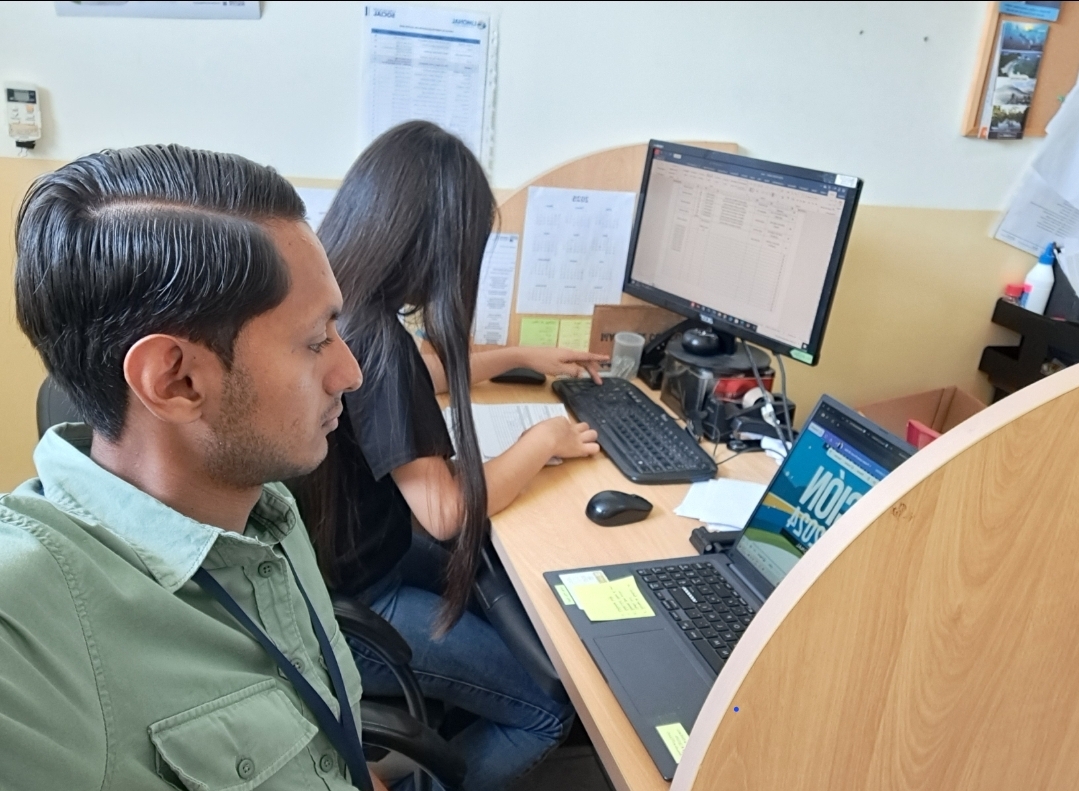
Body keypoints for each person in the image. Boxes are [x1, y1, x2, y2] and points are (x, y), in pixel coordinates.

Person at [0, 144, 391, 790]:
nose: (349, 372)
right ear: (176, 380)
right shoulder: (31, 624)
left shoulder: (263, 504)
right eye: (316, 340)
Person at [293, 121, 602, 791]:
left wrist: (518, 355)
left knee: (519, 604)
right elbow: (444, 512)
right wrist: (543, 441)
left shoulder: (342, 310)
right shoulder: (377, 339)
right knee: (547, 707)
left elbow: (416, 377)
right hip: (358, 603)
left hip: (340, 565)